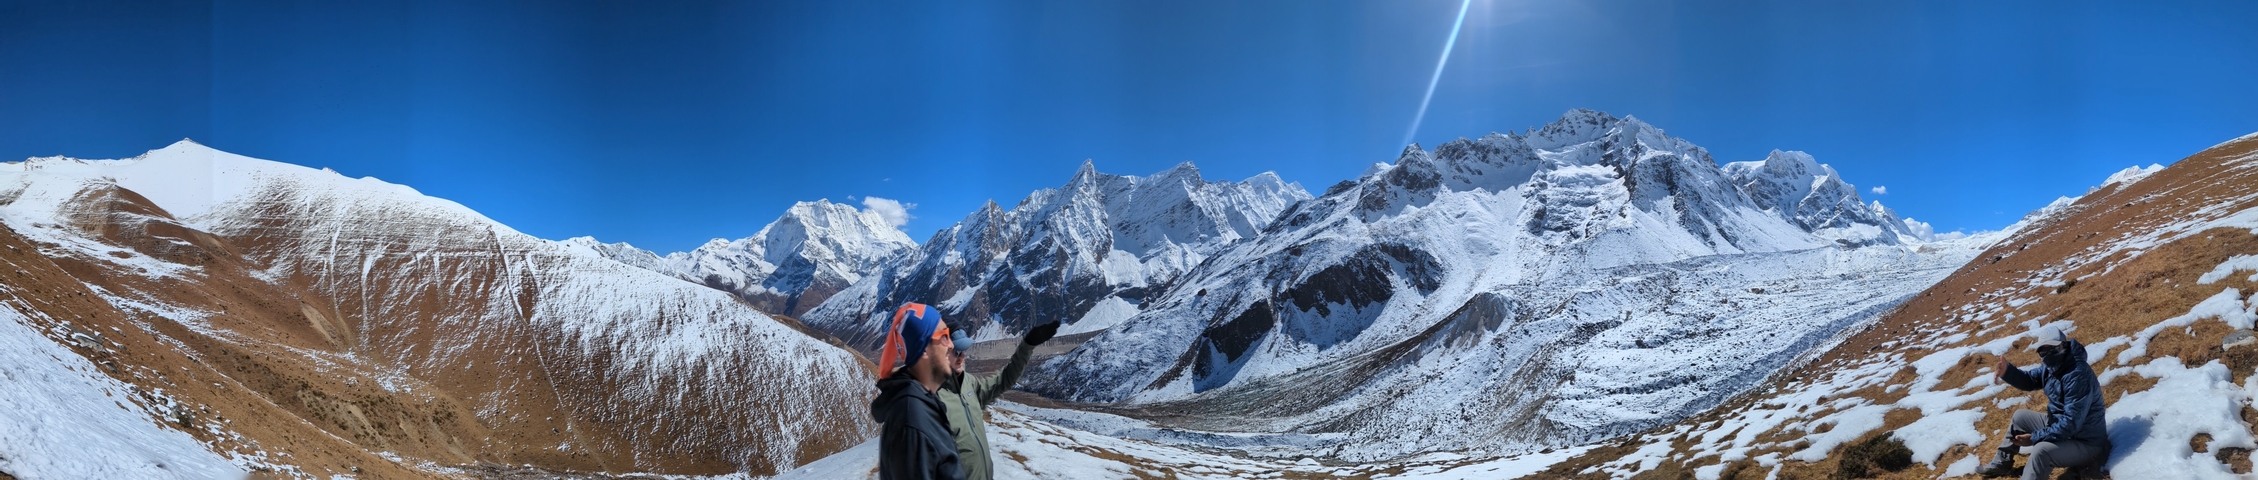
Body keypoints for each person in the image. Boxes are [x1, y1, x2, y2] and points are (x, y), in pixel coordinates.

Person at [1981, 326, 2110, 479]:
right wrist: (2008, 372)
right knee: (2020, 417)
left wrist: (2035, 437)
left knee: (2041, 451)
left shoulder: (2077, 375)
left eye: (2053, 349)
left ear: (2064, 346)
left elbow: (2071, 424)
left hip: (2085, 442)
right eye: (2043, 351)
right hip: (2062, 430)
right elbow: (2031, 380)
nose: (2048, 355)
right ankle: (2001, 463)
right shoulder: (2052, 367)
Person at [938, 320, 1061, 480]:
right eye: (956, 351)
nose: (962, 357)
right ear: (940, 351)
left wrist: (1027, 345)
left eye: (964, 350)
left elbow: (1003, 379)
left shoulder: (969, 384)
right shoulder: (932, 398)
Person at [870, 303, 965, 480]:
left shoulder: (923, 403)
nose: (951, 345)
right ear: (923, 350)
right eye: (944, 336)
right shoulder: (912, 419)